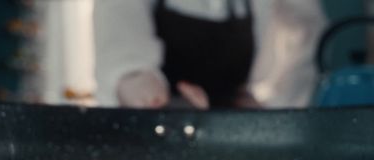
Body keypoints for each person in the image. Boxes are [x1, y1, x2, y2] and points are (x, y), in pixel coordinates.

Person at [93, 0, 327, 109]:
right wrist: (133, 80)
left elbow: (309, 28)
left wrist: (276, 105)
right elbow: (118, 31)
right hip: (159, 125)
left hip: (237, 127)